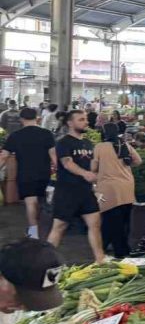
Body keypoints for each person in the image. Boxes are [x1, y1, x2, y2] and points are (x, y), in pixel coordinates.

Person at [47, 111, 105, 263]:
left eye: (85, 119)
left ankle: (100, 259)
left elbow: (92, 165)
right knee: (59, 227)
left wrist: (96, 176)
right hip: (67, 192)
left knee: (95, 224)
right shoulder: (64, 142)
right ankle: (44, 262)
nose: (86, 122)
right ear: (70, 123)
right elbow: (67, 163)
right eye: (81, 119)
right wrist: (85, 174)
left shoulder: (87, 143)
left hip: (85, 191)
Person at [0, 108, 56, 239]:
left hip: (25, 175)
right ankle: (43, 230)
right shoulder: (47, 134)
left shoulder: (15, 135)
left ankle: (33, 234)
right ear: (37, 117)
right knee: (42, 203)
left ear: (21, 119)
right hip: (44, 174)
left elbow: (3, 157)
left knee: (30, 203)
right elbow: (54, 155)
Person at [93, 123, 141, 258]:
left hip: (108, 189)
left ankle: (120, 251)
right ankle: (105, 246)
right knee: (123, 220)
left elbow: (93, 167)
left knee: (111, 220)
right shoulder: (124, 145)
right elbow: (138, 161)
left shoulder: (100, 147)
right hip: (127, 187)